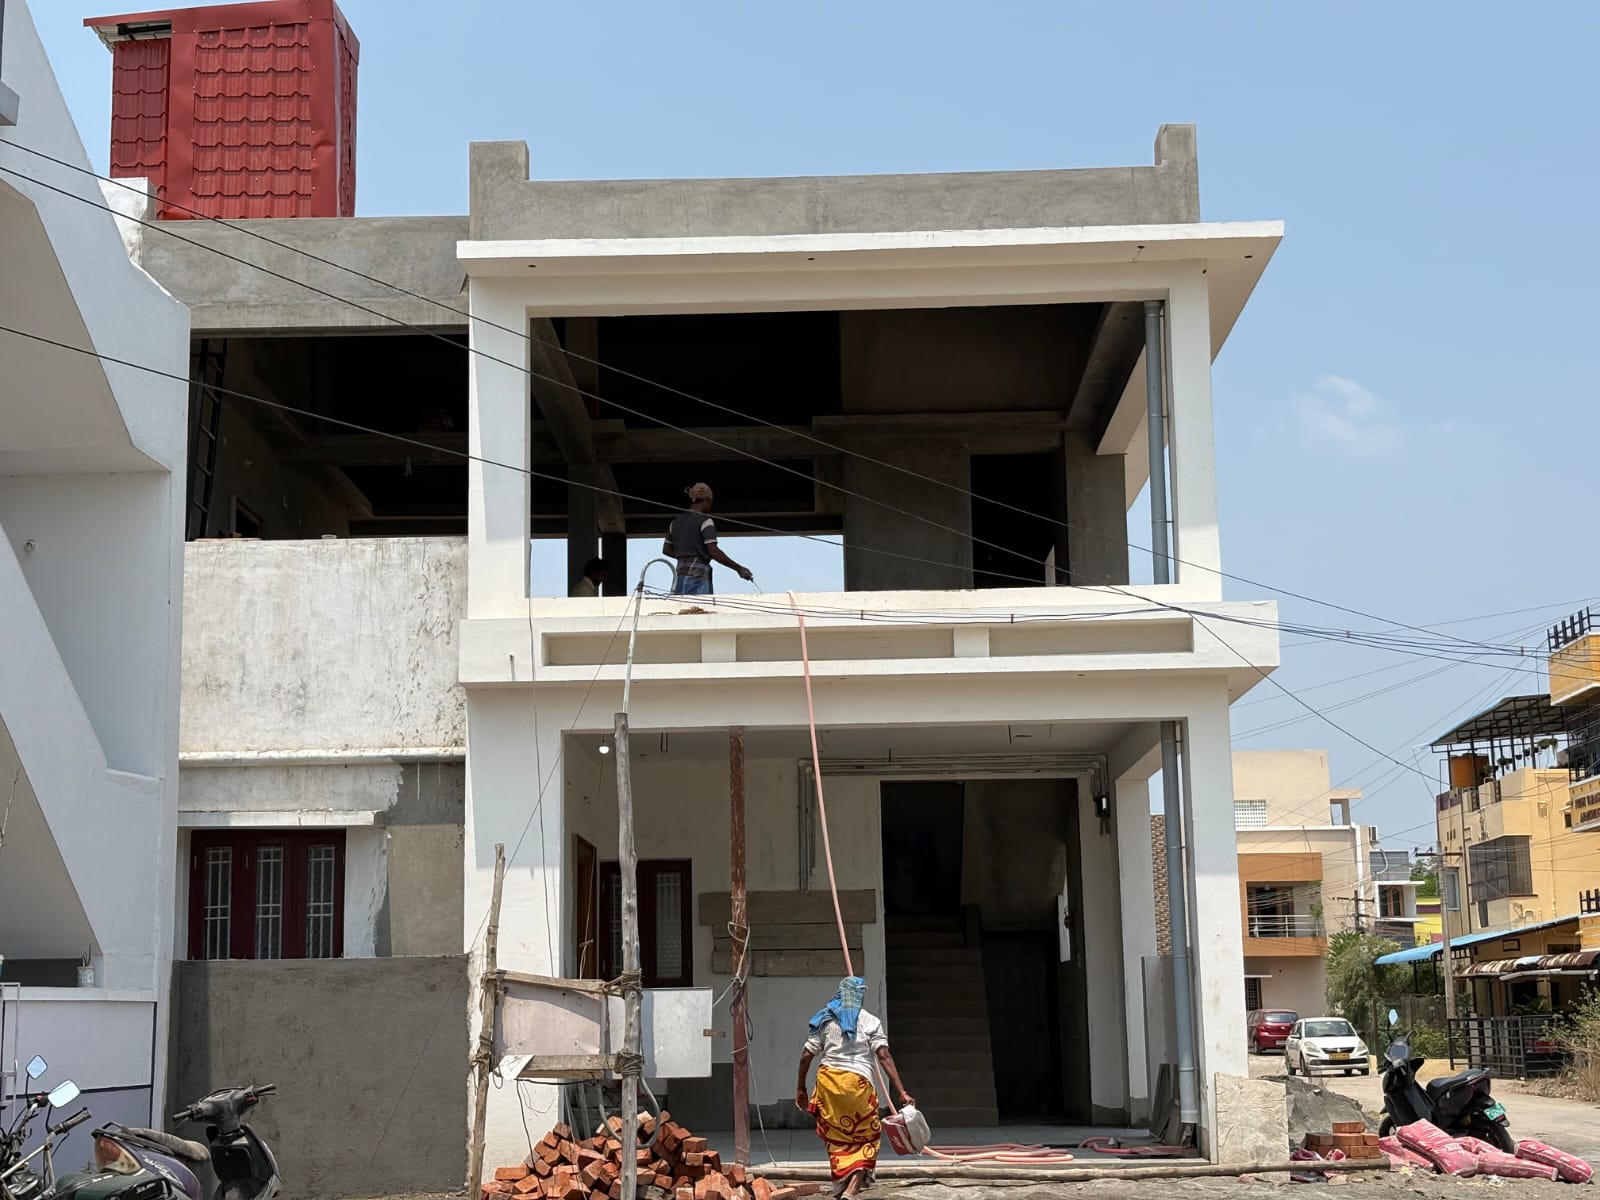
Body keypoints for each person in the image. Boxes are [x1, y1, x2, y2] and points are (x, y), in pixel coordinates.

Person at [795, 977, 914, 1198]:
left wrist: (801, 1087)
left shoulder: (824, 1019)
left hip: (828, 1085)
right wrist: (902, 1091)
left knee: (836, 1135)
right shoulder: (871, 1021)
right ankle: (852, 1186)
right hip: (858, 1086)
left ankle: (843, 1184)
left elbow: (806, 1056)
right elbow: (884, 1056)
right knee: (868, 1135)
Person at [662, 482, 752, 596]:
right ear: (707, 499)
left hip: (679, 577)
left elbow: (666, 550)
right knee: (699, 606)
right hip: (698, 578)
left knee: (681, 606)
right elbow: (713, 551)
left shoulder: (675, 522)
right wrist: (739, 569)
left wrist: (685, 556)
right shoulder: (705, 521)